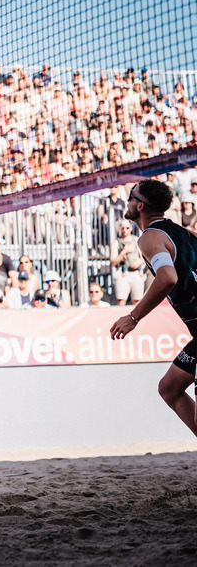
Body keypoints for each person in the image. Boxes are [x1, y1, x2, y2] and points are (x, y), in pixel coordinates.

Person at [110, 179, 197, 438]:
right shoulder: (185, 233)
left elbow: (167, 277)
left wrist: (133, 317)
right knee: (169, 388)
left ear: (140, 206)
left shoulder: (149, 238)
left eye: (130, 196)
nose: (127, 200)